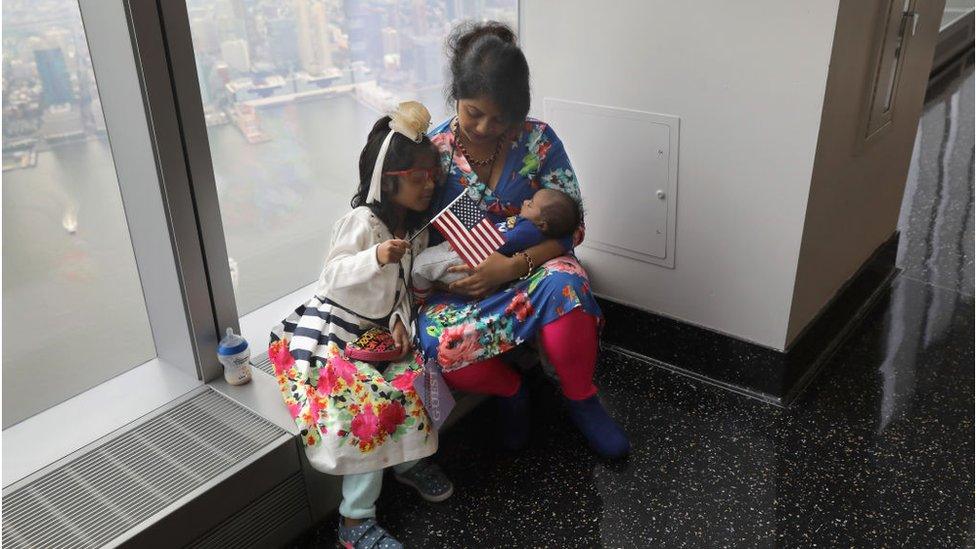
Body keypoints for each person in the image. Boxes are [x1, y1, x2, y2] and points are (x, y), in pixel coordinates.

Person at [416, 22, 630, 459]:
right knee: (436, 344)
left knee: (566, 286)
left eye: (500, 118)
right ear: (455, 92)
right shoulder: (433, 154)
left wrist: (514, 266)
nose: (485, 126)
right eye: (473, 111)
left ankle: (581, 398)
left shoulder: (538, 140)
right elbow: (416, 236)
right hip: (463, 285)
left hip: (534, 270)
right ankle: (511, 392)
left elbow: (572, 228)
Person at [267, 102, 453, 549]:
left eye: (431, 176)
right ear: (387, 180)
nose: (428, 185)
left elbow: (400, 290)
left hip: (379, 332)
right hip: (334, 333)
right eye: (417, 178)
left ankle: (408, 464)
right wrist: (373, 257)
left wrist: (402, 321)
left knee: (415, 381)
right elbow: (331, 278)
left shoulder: (416, 231)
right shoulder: (362, 223)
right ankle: (355, 521)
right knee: (366, 409)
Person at [412, 187, 581, 293]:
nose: (525, 201)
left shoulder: (530, 231)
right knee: (426, 258)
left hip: (476, 258)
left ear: (543, 224)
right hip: (472, 247)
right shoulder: (525, 222)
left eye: (531, 204)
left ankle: (421, 294)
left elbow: (502, 242)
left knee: (420, 265)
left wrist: (471, 240)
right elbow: (498, 228)